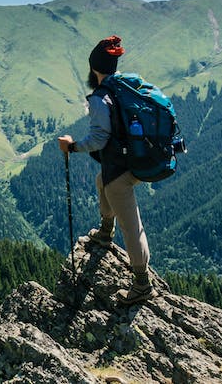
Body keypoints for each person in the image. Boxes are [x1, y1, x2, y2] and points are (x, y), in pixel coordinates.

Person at [58, 35, 155, 305]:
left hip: (121, 169)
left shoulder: (102, 98)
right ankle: (104, 231)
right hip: (136, 159)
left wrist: (72, 146)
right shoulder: (125, 86)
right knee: (102, 181)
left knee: (132, 226)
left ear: (94, 69)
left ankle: (142, 284)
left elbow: (99, 139)